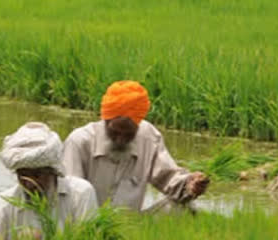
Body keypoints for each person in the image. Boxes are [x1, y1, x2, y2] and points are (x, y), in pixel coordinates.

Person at [63, 80, 209, 211]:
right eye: (115, 132)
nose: (120, 140)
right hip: (86, 224)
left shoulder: (148, 137)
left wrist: (190, 184)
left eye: (128, 134)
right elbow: (69, 197)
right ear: (105, 121)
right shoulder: (79, 142)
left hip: (133, 226)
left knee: (185, 208)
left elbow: (168, 178)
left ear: (138, 126)